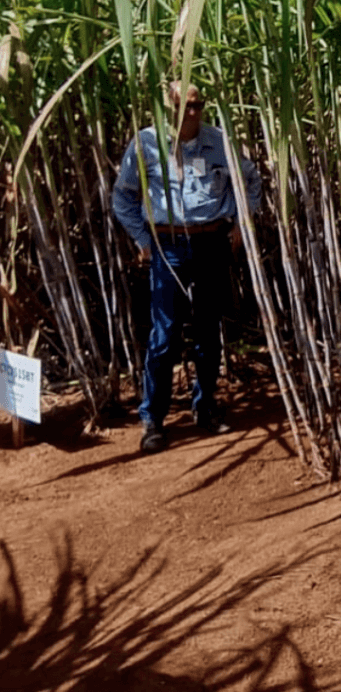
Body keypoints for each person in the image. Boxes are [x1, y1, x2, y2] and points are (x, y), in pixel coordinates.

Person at [113, 82, 261, 454]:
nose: (193, 113)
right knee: (164, 334)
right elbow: (123, 196)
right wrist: (144, 241)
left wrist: (242, 221)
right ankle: (154, 418)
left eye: (198, 105)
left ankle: (205, 405)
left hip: (210, 241)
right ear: (168, 109)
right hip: (168, 246)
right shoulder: (145, 144)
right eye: (185, 107)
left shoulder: (219, 140)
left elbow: (251, 179)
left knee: (209, 328)